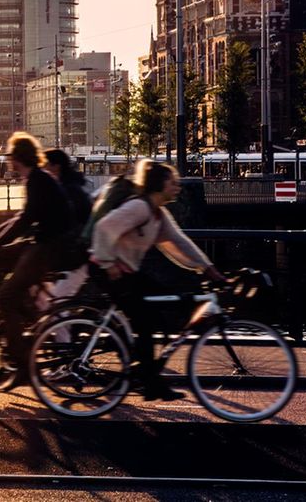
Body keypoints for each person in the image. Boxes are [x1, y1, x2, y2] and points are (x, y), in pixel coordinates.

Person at [91, 160, 226, 401]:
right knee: (144, 321)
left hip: (126, 271)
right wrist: (108, 262)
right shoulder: (140, 208)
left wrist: (206, 267)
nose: (177, 187)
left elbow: (178, 242)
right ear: (159, 185)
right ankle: (149, 380)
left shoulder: (157, 214)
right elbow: (104, 227)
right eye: (172, 182)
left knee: (162, 302)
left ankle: (144, 368)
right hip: (108, 269)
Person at [0, 132, 74, 375]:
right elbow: (19, 218)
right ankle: (16, 315)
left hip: (49, 249)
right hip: (42, 243)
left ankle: (21, 359)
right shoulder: (36, 178)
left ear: (17, 157)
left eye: (9, 155)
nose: (7, 159)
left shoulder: (38, 180)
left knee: (5, 296)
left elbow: (25, 220)